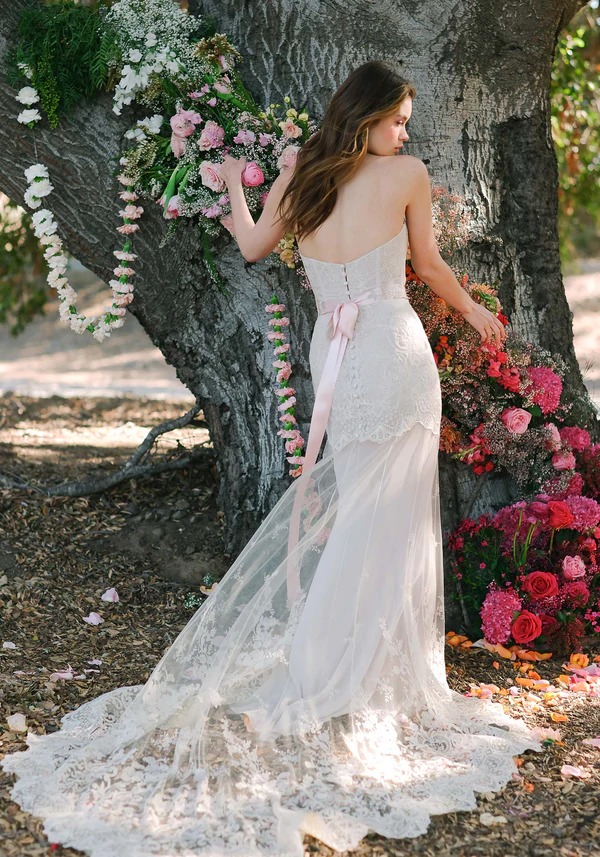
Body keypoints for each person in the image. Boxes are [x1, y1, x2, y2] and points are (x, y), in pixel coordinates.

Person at [2, 60, 542, 857]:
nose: (405, 133)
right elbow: (427, 267)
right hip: (391, 352)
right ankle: (345, 669)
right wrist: (471, 312)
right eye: (398, 119)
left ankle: (336, 661)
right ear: (367, 120)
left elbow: (253, 243)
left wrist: (230, 186)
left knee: (363, 509)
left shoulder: (304, 179)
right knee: (390, 522)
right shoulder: (405, 175)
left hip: (337, 353)